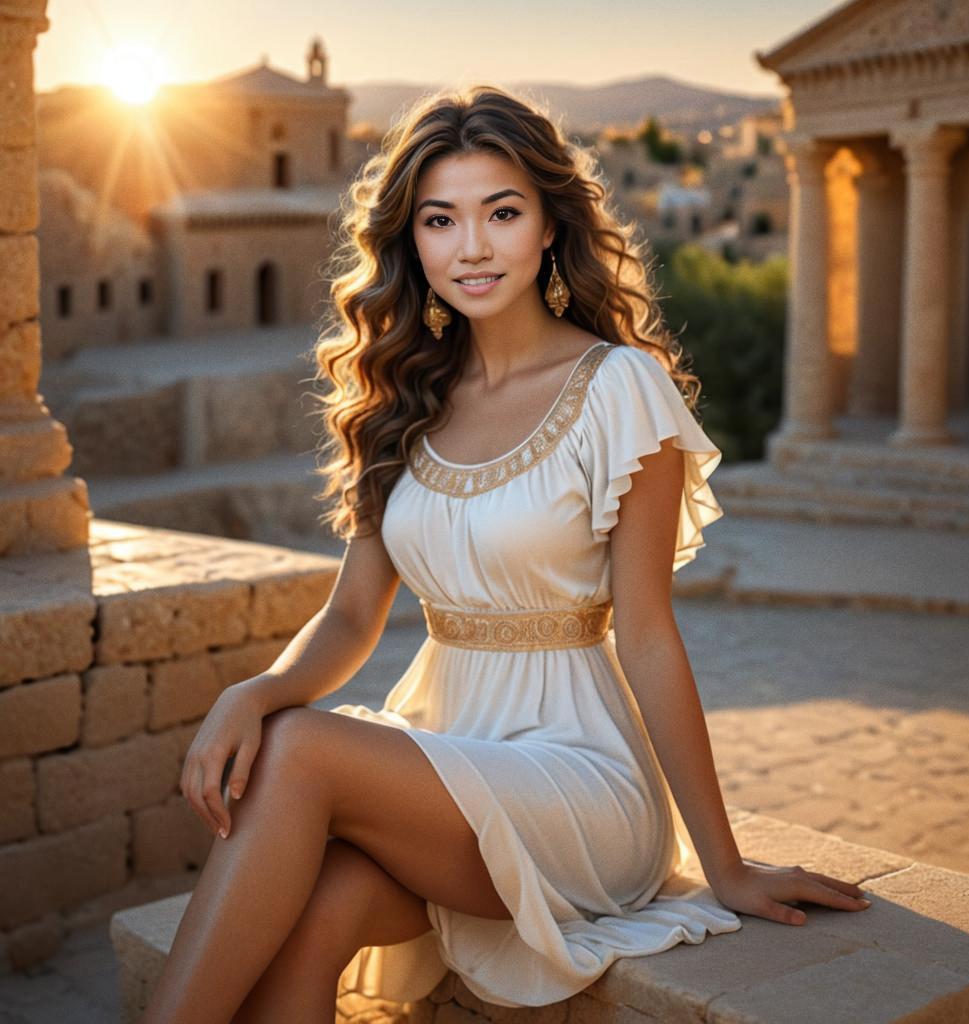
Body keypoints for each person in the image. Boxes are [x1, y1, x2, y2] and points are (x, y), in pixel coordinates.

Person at [141, 84, 871, 1023]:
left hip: (580, 787)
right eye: (442, 220)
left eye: (502, 212)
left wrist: (721, 864)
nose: (473, 247)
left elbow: (647, 634)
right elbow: (352, 616)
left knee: (298, 749)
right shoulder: (402, 397)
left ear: (549, 228)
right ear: (412, 242)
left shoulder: (618, 389)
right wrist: (253, 689)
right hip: (449, 757)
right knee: (316, 912)